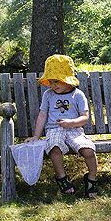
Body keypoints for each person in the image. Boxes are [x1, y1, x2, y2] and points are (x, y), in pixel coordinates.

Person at [24, 54, 98, 198]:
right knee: (54, 148)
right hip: (54, 130)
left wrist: (71, 123)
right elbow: (42, 115)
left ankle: (92, 178)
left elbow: (85, 117)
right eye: (50, 81)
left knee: (89, 151)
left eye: (56, 81)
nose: (52, 85)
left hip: (74, 130)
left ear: (67, 79)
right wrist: (36, 136)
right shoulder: (48, 95)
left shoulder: (78, 95)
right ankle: (61, 177)